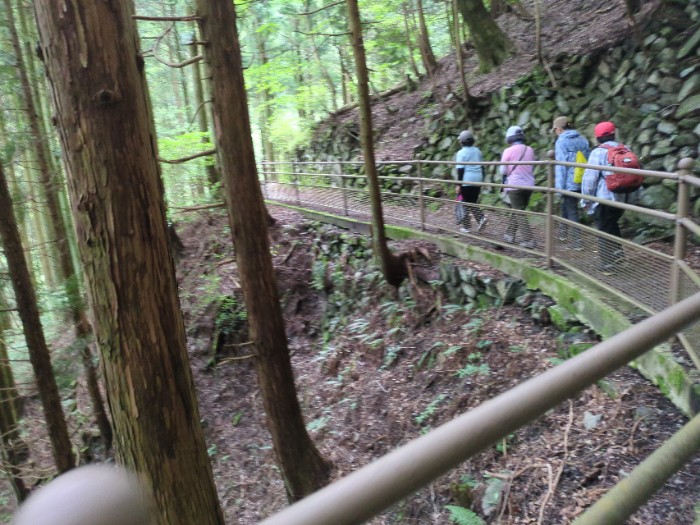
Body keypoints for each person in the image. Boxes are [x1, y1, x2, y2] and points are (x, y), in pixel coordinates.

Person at [581, 121, 639, 274]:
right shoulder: (625, 149)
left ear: (597, 137)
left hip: (605, 197)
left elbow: (589, 179)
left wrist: (585, 199)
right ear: (614, 133)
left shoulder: (598, 153)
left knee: (603, 228)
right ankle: (618, 254)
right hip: (623, 196)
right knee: (611, 223)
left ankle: (608, 265)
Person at [552, 116, 590, 248]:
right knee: (567, 206)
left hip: (569, 182)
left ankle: (577, 242)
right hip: (583, 179)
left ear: (559, 129)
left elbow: (561, 167)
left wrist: (559, 188)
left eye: (555, 130)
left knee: (572, 210)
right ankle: (563, 233)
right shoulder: (582, 139)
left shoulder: (561, 142)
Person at [500, 125, 536, 248]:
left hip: (515, 185)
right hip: (529, 185)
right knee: (518, 210)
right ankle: (509, 235)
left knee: (518, 212)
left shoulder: (508, 151)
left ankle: (529, 240)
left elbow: (502, 171)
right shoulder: (529, 149)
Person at [454, 130, 487, 233]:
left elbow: (460, 170)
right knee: (471, 202)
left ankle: (470, 224)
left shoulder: (461, 153)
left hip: (467, 180)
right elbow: (482, 167)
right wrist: (483, 180)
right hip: (478, 179)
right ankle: (478, 220)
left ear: (462, 141)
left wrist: (458, 184)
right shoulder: (478, 151)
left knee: (464, 202)